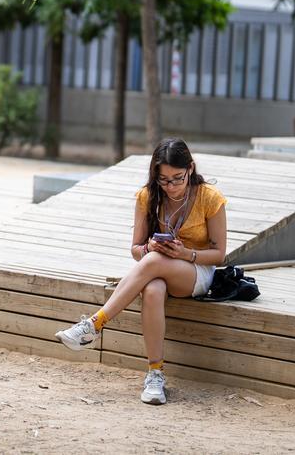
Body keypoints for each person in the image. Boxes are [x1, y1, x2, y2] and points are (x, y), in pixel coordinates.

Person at [54, 138, 227, 405]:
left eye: (177, 179)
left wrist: (185, 254)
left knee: (155, 262)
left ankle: (94, 325)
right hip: (157, 268)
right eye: (164, 180)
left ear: (190, 169)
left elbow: (219, 254)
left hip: (196, 271)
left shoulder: (209, 197)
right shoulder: (148, 196)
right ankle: (155, 375)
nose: (170, 187)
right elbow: (136, 250)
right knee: (153, 289)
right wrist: (149, 247)